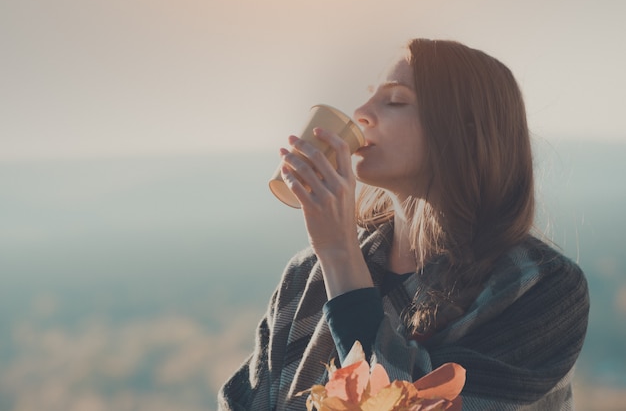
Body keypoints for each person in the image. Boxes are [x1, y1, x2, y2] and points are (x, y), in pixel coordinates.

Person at [218, 38, 589, 410]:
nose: (360, 112)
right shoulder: (307, 275)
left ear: (467, 131)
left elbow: (410, 403)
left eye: (395, 101)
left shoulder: (545, 288)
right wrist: (333, 256)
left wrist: (340, 254)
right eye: (367, 97)